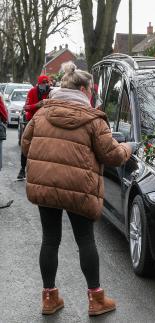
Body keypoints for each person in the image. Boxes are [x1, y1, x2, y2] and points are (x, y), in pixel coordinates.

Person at [22, 62, 137, 316]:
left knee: (50, 240)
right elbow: (112, 156)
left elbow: (25, 145)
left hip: (47, 184)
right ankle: (96, 300)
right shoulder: (93, 119)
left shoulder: (42, 113)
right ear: (84, 89)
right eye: (91, 90)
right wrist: (130, 147)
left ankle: (49, 299)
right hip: (80, 187)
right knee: (85, 240)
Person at [18, 75, 52, 180]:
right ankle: (22, 169)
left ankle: (44, 171)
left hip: (46, 122)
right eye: (43, 83)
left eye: (46, 83)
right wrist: (37, 105)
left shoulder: (51, 93)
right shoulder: (32, 91)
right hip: (32, 121)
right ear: (38, 84)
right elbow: (26, 107)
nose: (45, 85)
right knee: (26, 144)